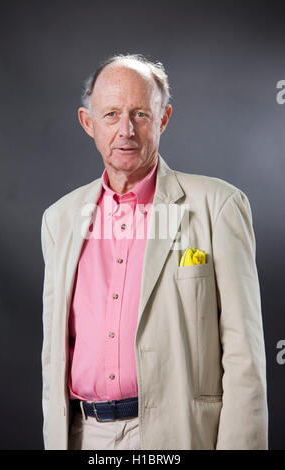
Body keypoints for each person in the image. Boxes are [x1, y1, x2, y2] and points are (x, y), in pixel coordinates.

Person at [40, 53, 268, 450]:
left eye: (141, 114)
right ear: (87, 122)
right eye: (111, 115)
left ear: (163, 120)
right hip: (82, 434)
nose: (125, 130)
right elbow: (54, 355)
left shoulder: (218, 206)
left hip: (177, 433)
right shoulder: (59, 220)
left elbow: (244, 356)